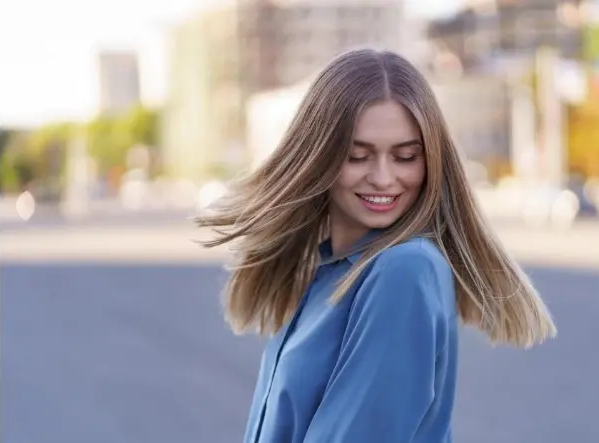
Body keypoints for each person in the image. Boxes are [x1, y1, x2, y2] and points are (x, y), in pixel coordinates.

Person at [196, 48, 557, 443]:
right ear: (317, 156)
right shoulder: (330, 272)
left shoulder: (404, 271)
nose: (383, 178)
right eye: (357, 155)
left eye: (405, 156)